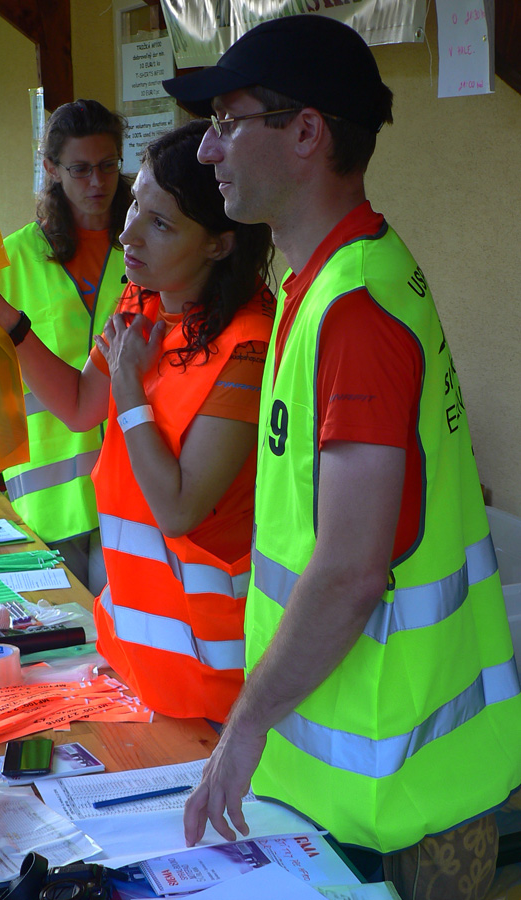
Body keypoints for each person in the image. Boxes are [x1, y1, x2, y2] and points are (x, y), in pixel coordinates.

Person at [164, 15, 521, 899]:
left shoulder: (353, 310)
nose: (207, 150)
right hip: (353, 792)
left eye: (227, 121)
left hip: (401, 810)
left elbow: (351, 571)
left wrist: (244, 726)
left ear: (306, 133)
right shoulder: (322, 284)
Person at [0, 120, 275, 722]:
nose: (127, 234)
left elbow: (178, 509)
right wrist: (8, 322)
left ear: (219, 244)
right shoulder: (143, 300)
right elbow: (78, 406)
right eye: (136, 205)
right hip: (133, 652)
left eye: (160, 223)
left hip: (211, 675)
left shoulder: (248, 344)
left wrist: (128, 387)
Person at [0, 99, 131, 594]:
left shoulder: (147, 243)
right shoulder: (9, 260)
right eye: (80, 169)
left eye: (108, 165)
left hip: (134, 486)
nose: (97, 182)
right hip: (50, 500)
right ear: (51, 168)